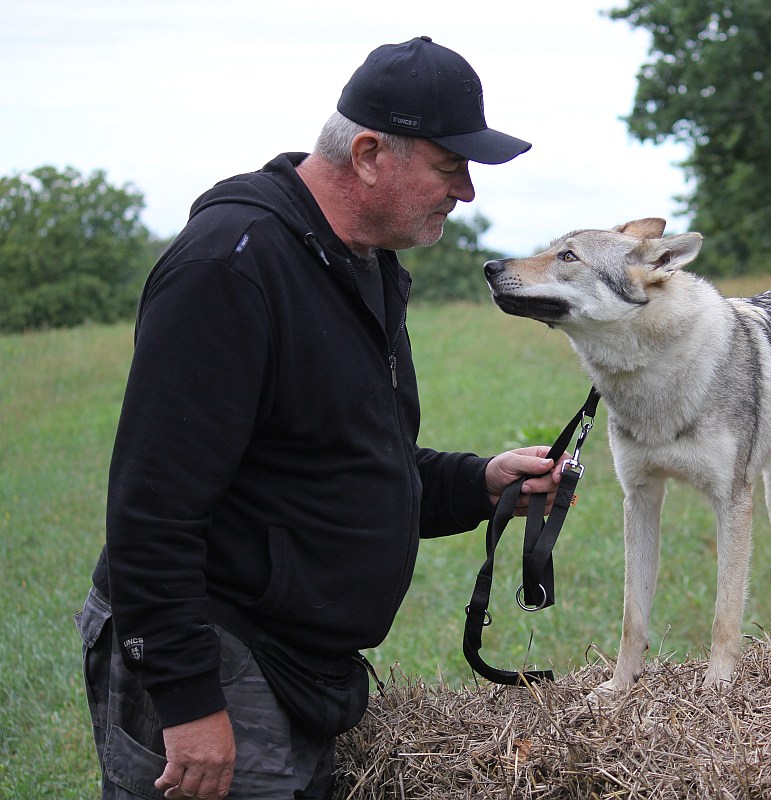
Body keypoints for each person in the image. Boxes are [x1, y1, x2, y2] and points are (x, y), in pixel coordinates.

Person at [76, 37, 558, 799]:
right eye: (448, 166)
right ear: (369, 153)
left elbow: (340, 463)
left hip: (298, 663)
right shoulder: (230, 268)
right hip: (221, 651)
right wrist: (190, 702)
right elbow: (151, 510)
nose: (466, 192)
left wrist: (480, 482)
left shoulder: (361, 264)